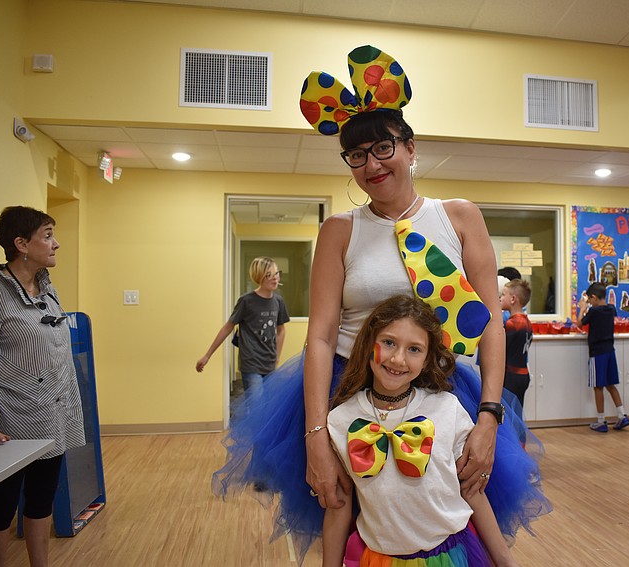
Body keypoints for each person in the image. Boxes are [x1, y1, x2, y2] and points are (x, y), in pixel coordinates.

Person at [213, 45, 549, 562]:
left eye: (383, 148)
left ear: (411, 148)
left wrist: (488, 418)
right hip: (348, 388)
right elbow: (321, 336)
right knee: (353, 518)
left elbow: (491, 326)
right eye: (357, 154)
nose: (371, 164)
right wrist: (317, 436)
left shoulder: (459, 217)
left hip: (442, 387)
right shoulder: (339, 231)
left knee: (450, 507)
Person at [323, 295, 517, 567]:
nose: (398, 359)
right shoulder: (340, 420)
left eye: (414, 349)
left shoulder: (446, 409)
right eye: (389, 342)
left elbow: (472, 490)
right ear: (369, 345)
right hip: (378, 559)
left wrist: (505, 561)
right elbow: (338, 503)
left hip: (451, 556)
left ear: (427, 360)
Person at [0, 206, 85, 566]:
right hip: (10, 426)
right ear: (21, 244)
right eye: (47, 235)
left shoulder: (47, 289)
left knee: (42, 500)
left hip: (52, 416)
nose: (56, 244)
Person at [196, 256, 289, 402]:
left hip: (269, 363)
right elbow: (228, 327)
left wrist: (277, 358)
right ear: (259, 277)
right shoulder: (246, 301)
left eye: (276, 273)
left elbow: (281, 330)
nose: (275, 278)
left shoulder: (278, 301)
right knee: (255, 405)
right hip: (251, 363)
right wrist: (207, 355)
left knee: (268, 406)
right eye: (269, 275)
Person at [577, 282, 629, 432]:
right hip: (609, 351)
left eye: (589, 299)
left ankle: (601, 420)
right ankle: (622, 415)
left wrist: (582, 309)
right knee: (611, 384)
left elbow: (580, 324)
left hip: (597, 353)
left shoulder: (594, 311)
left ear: (593, 298)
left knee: (598, 387)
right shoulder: (611, 309)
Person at [500, 279, 533, 408]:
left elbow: (501, 349)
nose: (500, 298)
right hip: (523, 375)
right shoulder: (526, 321)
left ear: (513, 299)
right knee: (517, 413)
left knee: (508, 415)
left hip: (511, 376)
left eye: (503, 295)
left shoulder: (513, 323)